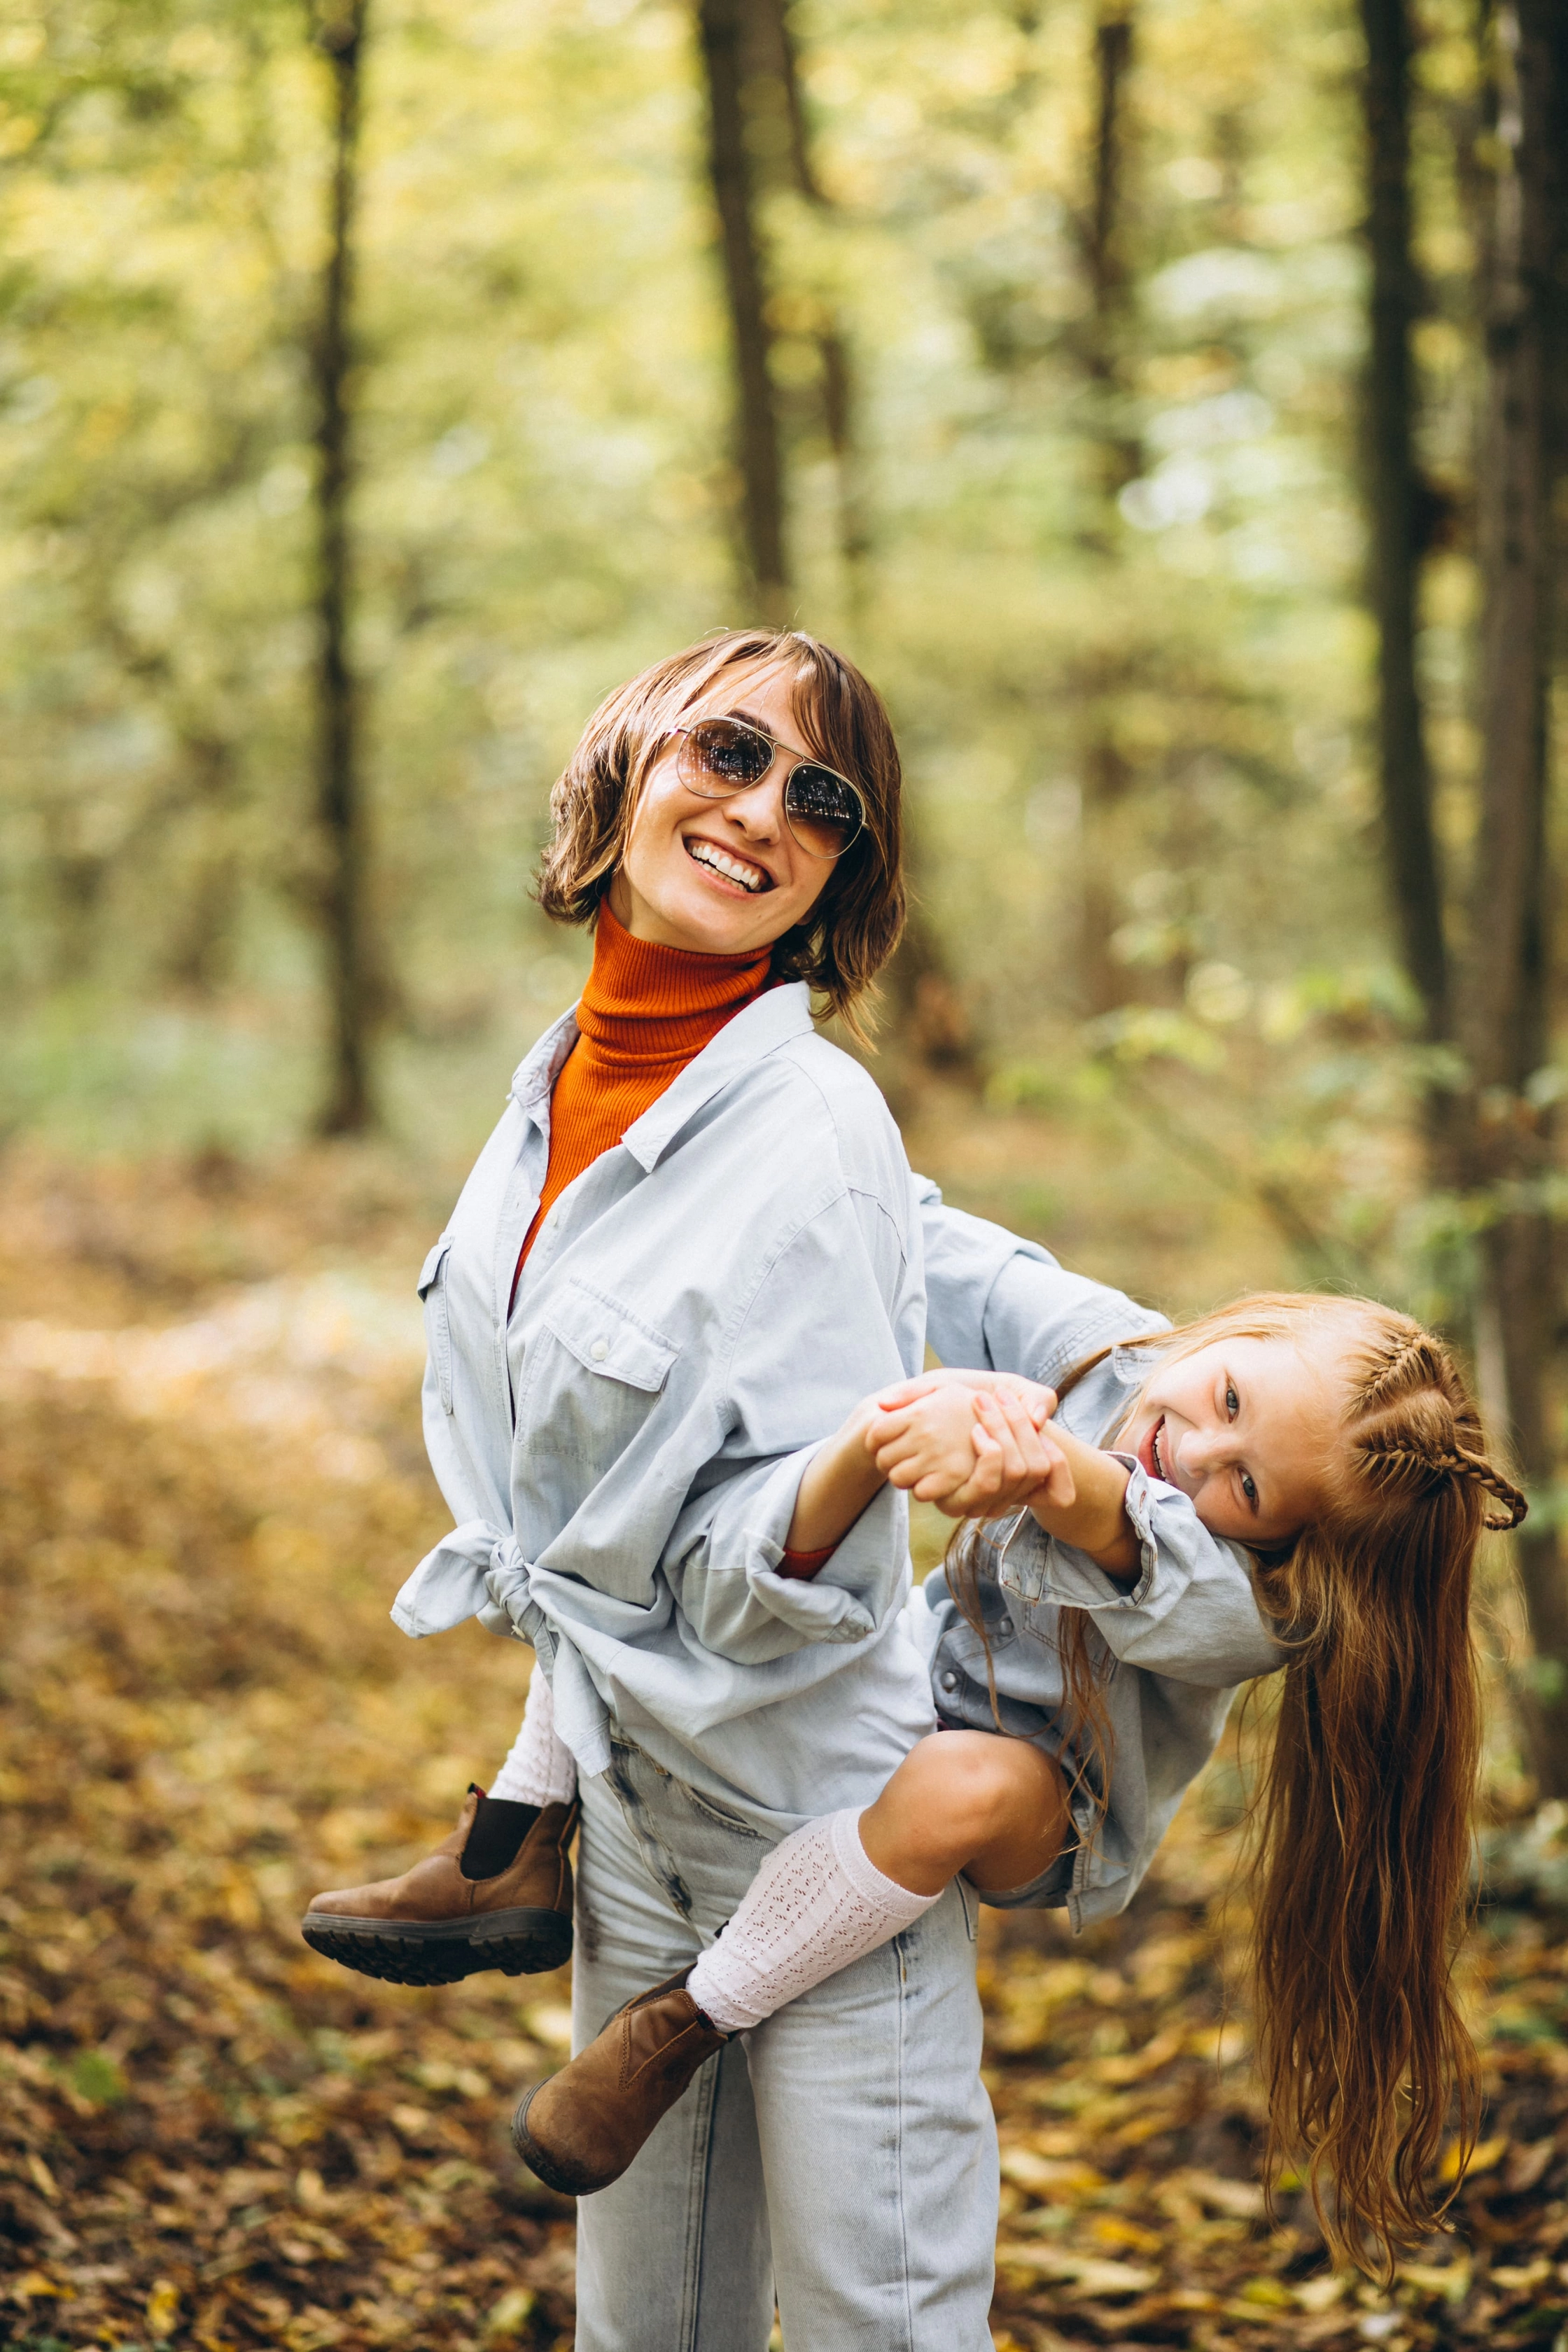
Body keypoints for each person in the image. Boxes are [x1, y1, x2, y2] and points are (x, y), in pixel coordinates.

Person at [307, 626, 1034, 2351]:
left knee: (884, 2325)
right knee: (647, 2327)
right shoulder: (547, 1087)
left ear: (837, 874)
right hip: (625, 1816)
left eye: (822, 797)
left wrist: (857, 1462)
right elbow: (563, 1507)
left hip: (817, 1822)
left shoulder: (814, 1128)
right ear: (632, 762)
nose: (762, 809)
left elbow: (780, 1575)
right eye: (726, 752)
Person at [491, 1289, 1521, 2276]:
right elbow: (927, 1240)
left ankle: (682, 2024)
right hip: (911, 1664)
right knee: (680, 1511)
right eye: (1232, 1399)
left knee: (957, 1784)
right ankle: (515, 1830)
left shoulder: (1256, 1605)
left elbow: (1128, 1526)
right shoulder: (1113, 1355)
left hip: (1047, 1795)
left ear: (1284, 1542)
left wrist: (1022, 1456)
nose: (1199, 1450)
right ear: (1250, 1326)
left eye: (1247, 1488)